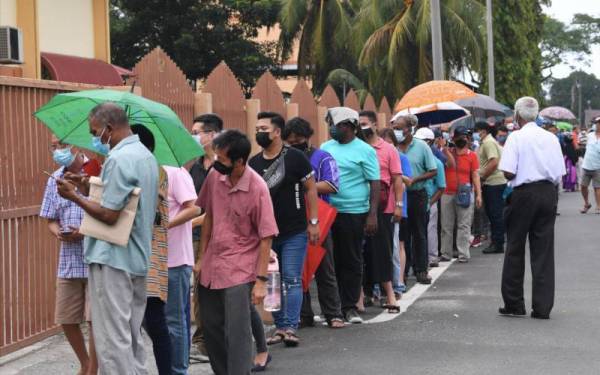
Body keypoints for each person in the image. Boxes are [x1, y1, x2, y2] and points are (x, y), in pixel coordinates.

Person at [56, 102, 159, 373]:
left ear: (109, 129)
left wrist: (74, 196)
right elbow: (127, 198)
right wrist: (87, 184)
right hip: (135, 257)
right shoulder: (144, 155)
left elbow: (110, 214)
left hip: (113, 259)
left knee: (113, 343)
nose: (94, 138)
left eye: (95, 132)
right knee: (130, 337)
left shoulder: (118, 158)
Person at [194, 130, 278, 375]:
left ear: (240, 161)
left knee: (238, 332)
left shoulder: (257, 188)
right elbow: (209, 216)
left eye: (222, 160)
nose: (217, 163)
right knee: (210, 328)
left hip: (240, 269)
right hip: (211, 265)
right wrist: (201, 258)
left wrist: (261, 282)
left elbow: (266, 236)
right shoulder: (214, 177)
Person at [249, 112, 320, 347]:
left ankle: (290, 326)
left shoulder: (296, 158)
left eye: (264, 128)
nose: (259, 132)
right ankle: (280, 326)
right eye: (257, 128)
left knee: (291, 279)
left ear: (277, 132)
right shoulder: (254, 163)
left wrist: (313, 222)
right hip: (266, 234)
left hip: (295, 231)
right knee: (271, 281)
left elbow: (311, 189)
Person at [498, 97, 565, 319]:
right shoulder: (551, 138)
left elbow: (508, 171)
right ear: (536, 115)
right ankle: (543, 307)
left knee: (515, 247)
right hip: (547, 193)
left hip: (523, 194)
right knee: (543, 251)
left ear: (517, 116)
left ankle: (514, 304)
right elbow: (558, 173)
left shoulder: (515, 137)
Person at [40, 136, 98, 375]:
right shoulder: (55, 177)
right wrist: (59, 234)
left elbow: (109, 212)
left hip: (96, 258)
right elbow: (49, 218)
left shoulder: (97, 171)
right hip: (69, 260)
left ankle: (94, 367)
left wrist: (84, 231)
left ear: (76, 144)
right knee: (66, 316)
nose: (57, 150)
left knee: (96, 320)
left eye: (61, 145)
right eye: (53, 146)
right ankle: (84, 362)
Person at [283, 117, 345, 329]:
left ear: (308, 137)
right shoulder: (284, 158)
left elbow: (332, 185)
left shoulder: (322, 157)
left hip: (320, 217)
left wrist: (304, 186)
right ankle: (304, 314)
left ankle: (334, 314)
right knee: (297, 269)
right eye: (290, 141)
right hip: (292, 218)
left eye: (298, 139)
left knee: (324, 267)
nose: (295, 144)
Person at [321, 107, 380, 324]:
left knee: (352, 260)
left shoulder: (365, 150)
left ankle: (350, 306)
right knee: (329, 261)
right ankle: (333, 308)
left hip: (354, 212)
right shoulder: (325, 148)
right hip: (328, 211)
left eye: (334, 125)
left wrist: (372, 214)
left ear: (347, 126)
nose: (330, 129)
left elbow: (375, 182)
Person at [132, 124, 172, 375]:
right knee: (136, 325)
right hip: (135, 258)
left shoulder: (154, 172)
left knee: (155, 323)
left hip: (149, 258)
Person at [359, 111, 403, 313]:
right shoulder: (357, 148)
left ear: (375, 125)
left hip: (383, 206)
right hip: (359, 205)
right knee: (361, 252)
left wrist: (398, 205)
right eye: (358, 124)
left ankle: (390, 293)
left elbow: (396, 179)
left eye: (365, 123)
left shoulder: (388, 149)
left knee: (382, 250)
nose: (362, 127)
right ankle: (365, 294)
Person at [189, 114, 222, 362]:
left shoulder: (225, 166)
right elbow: (193, 205)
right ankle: (201, 341)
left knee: (221, 290)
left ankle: (219, 338)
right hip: (197, 236)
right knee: (200, 289)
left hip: (222, 238)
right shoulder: (196, 167)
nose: (194, 136)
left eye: (197, 131)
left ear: (212, 135)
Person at [163, 164, 201, 375]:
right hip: (145, 260)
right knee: (148, 320)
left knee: (174, 321)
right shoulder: (139, 173)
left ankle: (178, 370)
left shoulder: (175, 173)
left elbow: (194, 208)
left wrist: (165, 224)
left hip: (175, 261)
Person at [393, 114, 437, 284]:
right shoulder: (393, 147)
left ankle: (421, 270)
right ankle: (403, 271)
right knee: (402, 235)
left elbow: (433, 170)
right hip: (399, 196)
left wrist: (415, 179)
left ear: (410, 129)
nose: (396, 131)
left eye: (400, 128)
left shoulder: (422, 147)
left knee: (419, 233)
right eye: (395, 128)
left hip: (417, 194)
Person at [440, 126, 482, 263]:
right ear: (454, 139)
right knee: (446, 225)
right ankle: (446, 253)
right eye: (460, 137)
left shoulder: (472, 156)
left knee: (464, 225)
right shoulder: (447, 153)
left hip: (464, 193)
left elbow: (475, 175)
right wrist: (445, 150)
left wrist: (478, 194)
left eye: (465, 137)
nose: (463, 140)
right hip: (447, 192)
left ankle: (463, 253)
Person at [380, 128, 413, 297]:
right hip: (381, 208)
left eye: (390, 143)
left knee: (397, 246)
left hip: (398, 207)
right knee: (382, 248)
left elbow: (408, 180)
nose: (387, 146)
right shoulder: (375, 155)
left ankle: (398, 282)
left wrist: (396, 175)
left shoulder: (400, 157)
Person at [414, 128, 446, 268]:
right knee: (417, 233)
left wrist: (430, 203)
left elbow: (441, 187)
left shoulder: (437, 163)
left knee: (430, 230)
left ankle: (432, 257)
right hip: (415, 199)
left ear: (430, 142)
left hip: (429, 200)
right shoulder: (415, 159)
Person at [475, 121, 508, 255]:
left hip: (493, 182)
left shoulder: (488, 142)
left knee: (495, 214)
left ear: (483, 131)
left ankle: (498, 243)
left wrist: (482, 177)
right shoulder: (487, 142)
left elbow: (494, 162)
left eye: (477, 131)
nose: (476, 134)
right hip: (492, 182)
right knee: (493, 213)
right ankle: (496, 241)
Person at [580, 117, 600, 214]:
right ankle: (587, 204)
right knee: (583, 186)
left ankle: (598, 207)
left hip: (598, 167)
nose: (598, 125)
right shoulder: (589, 135)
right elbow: (581, 143)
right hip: (586, 165)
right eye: (597, 123)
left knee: (597, 188)